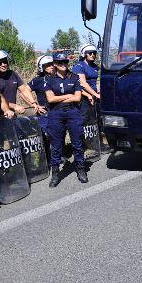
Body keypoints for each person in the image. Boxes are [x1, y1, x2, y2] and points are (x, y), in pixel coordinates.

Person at [44, 51, 88, 186]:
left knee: (77, 143)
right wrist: (68, 96)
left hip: (72, 112)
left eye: (65, 62)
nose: (63, 65)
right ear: (55, 64)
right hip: (55, 114)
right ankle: (56, 174)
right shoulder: (49, 79)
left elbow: (78, 97)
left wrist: (61, 98)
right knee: (56, 145)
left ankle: (81, 169)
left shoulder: (74, 77)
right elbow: (50, 99)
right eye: (59, 62)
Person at [0, 50, 30, 115]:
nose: (3, 64)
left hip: (11, 115)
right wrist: (14, 106)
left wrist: (33, 103)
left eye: (5, 62)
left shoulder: (12, 74)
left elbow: (24, 90)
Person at [29, 54, 54, 134]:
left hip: (57, 112)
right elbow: (23, 92)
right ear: (41, 67)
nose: (51, 66)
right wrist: (34, 104)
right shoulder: (38, 80)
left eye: (52, 64)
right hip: (45, 113)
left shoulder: (58, 78)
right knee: (46, 138)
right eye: (48, 65)